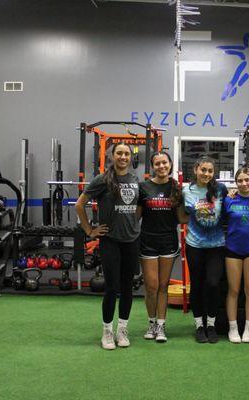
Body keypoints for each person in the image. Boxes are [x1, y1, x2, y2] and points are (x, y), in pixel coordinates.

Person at [75, 142, 141, 350]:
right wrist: (89, 230)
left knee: (127, 287)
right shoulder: (102, 180)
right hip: (110, 241)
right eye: (119, 153)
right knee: (112, 287)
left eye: (126, 154)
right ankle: (107, 332)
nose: (123, 157)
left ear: (131, 157)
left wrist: (133, 223)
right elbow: (79, 204)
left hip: (131, 240)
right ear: (112, 156)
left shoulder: (134, 179)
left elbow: (136, 208)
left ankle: (122, 330)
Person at [139, 151, 186, 343]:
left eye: (164, 163)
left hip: (168, 240)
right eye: (157, 164)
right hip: (147, 240)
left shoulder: (176, 188)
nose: (161, 166)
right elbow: (135, 216)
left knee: (163, 286)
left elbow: (182, 218)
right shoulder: (143, 187)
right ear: (153, 166)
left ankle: (161, 325)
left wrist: (207, 213)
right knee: (151, 286)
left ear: (170, 164)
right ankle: (151, 323)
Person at [181, 156, 228, 343]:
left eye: (210, 171)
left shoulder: (220, 189)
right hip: (194, 245)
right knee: (197, 285)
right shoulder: (186, 191)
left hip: (216, 245)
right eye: (203, 170)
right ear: (195, 169)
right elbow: (181, 214)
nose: (206, 174)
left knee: (213, 284)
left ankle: (211, 324)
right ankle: (199, 325)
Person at [223, 167, 249, 343]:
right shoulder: (229, 200)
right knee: (233, 290)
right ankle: (233, 329)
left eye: (247, 180)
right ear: (236, 183)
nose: (243, 183)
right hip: (233, 250)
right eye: (240, 180)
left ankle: (248, 329)